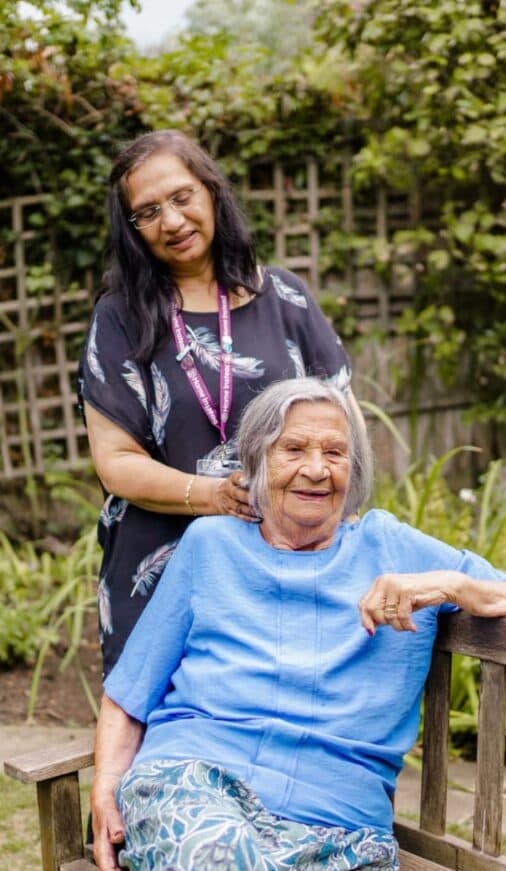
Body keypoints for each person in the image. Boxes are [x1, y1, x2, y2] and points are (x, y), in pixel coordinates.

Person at [90, 378, 506, 871]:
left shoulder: (392, 549)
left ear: (353, 470)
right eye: (293, 449)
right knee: (216, 856)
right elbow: (131, 690)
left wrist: (447, 585)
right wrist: (105, 785)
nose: (316, 469)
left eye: (335, 453)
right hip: (194, 787)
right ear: (257, 462)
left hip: (333, 832)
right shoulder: (211, 544)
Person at [79, 130, 351, 676]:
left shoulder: (287, 300)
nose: (173, 222)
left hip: (287, 569)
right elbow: (116, 464)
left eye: (182, 198)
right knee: (161, 741)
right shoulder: (120, 319)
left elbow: (347, 434)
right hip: (160, 577)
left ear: (211, 193)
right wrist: (215, 496)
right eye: (148, 212)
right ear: (131, 230)